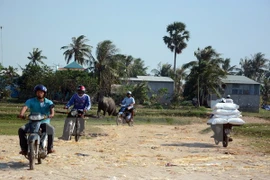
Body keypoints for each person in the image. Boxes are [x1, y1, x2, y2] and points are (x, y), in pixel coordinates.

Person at [18, 85, 55, 155]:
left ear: (44, 93)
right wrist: (21, 114)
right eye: (38, 92)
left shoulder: (49, 102)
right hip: (32, 122)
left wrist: (51, 114)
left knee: (51, 129)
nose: (39, 93)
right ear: (35, 93)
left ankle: (50, 148)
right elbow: (25, 107)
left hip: (44, 122)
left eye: (41, 92)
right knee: (21, 130)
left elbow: (52, 110)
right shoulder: (30, 101)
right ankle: (24, 149)